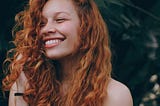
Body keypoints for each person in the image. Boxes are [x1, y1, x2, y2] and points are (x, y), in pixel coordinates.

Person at [2, 0, 133, 106]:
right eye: (42, 23)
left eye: (60, 20)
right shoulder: (26, 87)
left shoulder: (115, 95)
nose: (46, 29)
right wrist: (20, 90)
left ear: (86, 27)